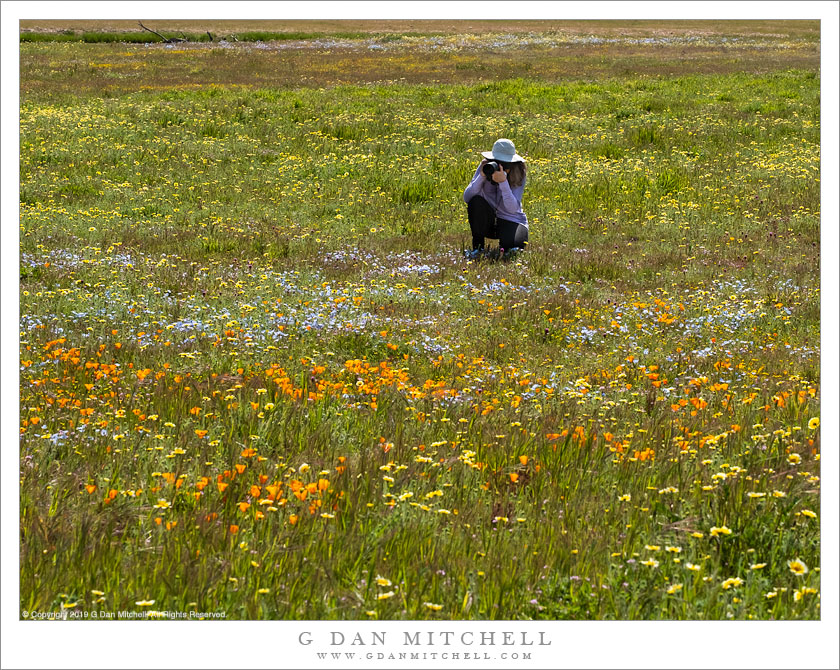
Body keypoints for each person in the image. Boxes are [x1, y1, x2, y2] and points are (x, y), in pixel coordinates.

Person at [463, 138, 529, 254]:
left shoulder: (518, 172)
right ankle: (478, 248)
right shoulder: (486, 166)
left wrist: (503, 183)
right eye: (496, 161)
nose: (499, 165)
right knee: (476, 201)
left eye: (503, 163)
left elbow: (512, 209)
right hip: (488, 219)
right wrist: (482, 176)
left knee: (512, 247)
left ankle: (508, 243)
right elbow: (467, 197)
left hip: (510, 219)